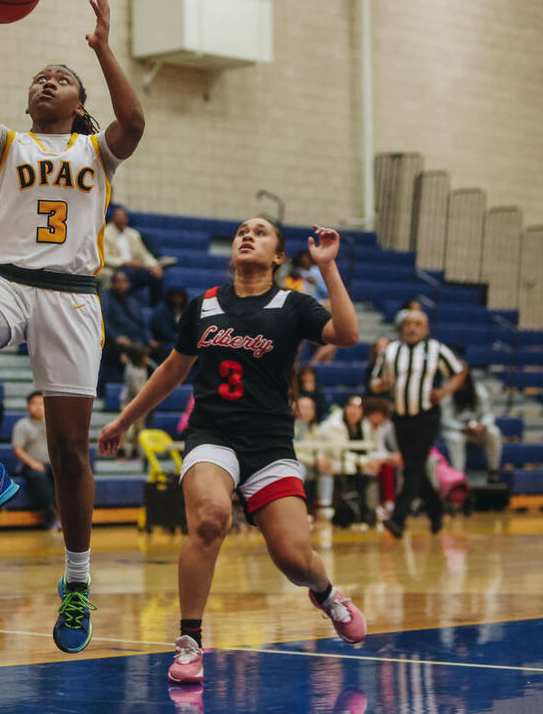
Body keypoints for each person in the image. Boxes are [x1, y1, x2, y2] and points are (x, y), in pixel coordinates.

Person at [0, 0, 145, 653]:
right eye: (40, 78)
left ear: (80, 102)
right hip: (4, 281)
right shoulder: (8, 146)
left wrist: (105, 49)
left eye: (62, 78)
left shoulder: (95, 153)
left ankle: (77, 582)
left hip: (72, 297)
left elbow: (134, 124)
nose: (48, 82)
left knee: (70, 453)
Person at [98, 219, 364, 682]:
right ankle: (189, 642)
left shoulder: (293, 304)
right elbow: (172, 370)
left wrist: (328, 267)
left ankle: (326, 593)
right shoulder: (204, 305)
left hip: (270, 444)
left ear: (279, 256)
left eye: (261, 232)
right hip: (212, 434)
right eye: (242, 230)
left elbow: (347, 335)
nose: (247, 235)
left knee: (294, 560)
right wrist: (125, 420)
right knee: (209, 520)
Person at [369, 309, 467, 538]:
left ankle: (398, 519)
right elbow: (374, 382)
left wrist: (444, 391)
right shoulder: (390, 351)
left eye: (417, 324)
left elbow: (459, 372)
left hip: (426, 417)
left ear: (426, 328)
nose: (412, 328)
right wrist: (381, 385)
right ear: (402, 328)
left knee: (412, 468)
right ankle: (436, 510)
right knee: (415, 468)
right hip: (401, 418)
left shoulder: (436, 349)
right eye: (408, 324)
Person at [441, 371, 503, 481]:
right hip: (456, 430)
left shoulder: (479, 391)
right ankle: (458, 475)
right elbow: (445, 419)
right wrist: (461, 428)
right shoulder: (448, 392)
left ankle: (493, 470)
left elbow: (488, 413)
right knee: (456, 438)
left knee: (494, 432)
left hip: (477, 431)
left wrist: (482, 425)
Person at [101, 205, 163, 304]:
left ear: (127, 219)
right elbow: (104, 257)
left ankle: (155, 306)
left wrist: (154, 265)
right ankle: (125, 305)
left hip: (135, 267)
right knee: (126, 277)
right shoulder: (106, 233)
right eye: (118, 216)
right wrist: (125, 262)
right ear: (113, 219)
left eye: (123, 216)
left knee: (155, 276)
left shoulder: (133, 234)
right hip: (118, 267)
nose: (121, 219)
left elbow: (144, 254)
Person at [12, 391, 56, 528]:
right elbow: (18, 449)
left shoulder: (53, 423)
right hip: (30, 465)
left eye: (41, 404)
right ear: (27, 407)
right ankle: (49, 514)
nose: (38, 407)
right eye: (34, 403)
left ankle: (69, 514)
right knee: (39, 477)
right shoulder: (22, 425)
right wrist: (33, 463)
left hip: (52, 464)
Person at [100, 270, 151, 369]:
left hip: (134, 339)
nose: (121, 285)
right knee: (133, 350)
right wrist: (116, 337)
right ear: (112, 283)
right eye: (118, 281)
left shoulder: (131, 300)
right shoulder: (105, 299)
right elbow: (103, 322)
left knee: (160, 350)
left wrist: (148, 339)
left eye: (124, 281)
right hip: (115, 341)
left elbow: (141, 323)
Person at [149, 286, 188, 363]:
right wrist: (183, 340)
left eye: (180, 296)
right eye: (175, 296)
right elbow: (165, 333)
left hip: (179, 340)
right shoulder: (162, 310)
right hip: (164, 341)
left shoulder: (185, 309)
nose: (178, 299)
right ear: (170, 297)